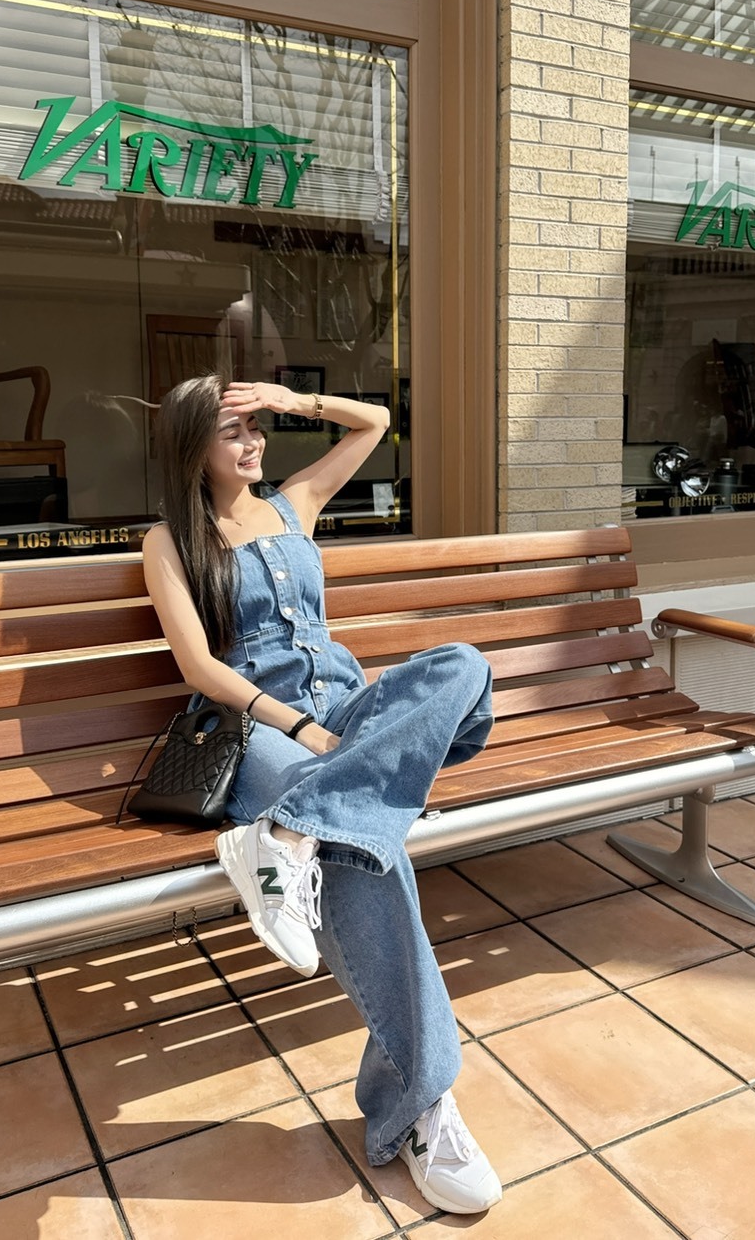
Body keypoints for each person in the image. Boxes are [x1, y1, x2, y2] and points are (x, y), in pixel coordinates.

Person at [142, 373, 502, 1215]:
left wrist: (294, 400)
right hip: (256, 729)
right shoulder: (170, 541)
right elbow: (200, 667)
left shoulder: (294, 501)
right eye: (232, 430)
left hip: (346, 710)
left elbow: (375, 423)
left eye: (255, 427)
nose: (252, 442)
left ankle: (288, 836)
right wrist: (300, 730)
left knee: (463, 665)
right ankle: (423, 1106)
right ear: (192, 446)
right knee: (368, 846)